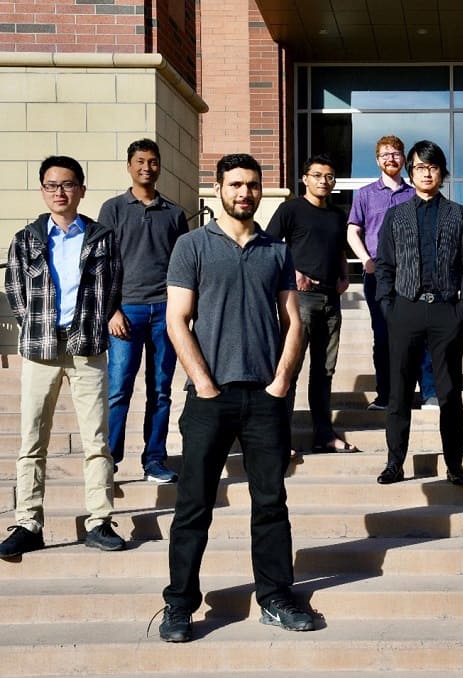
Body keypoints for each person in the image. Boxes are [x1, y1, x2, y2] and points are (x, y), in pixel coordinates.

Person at [159, 154, 320, 642]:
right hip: (210, 397)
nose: (244, 193)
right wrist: (204, 383)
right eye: (235, 185)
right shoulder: (192, 245)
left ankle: (274, 597)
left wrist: (282, 382)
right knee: (193, 505)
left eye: (252, 185)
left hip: (265, 398)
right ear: (218, 189)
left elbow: (294, 319)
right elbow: (176, 320)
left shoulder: (277, 250)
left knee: (271, 503)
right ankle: (180, 605)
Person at [0, 155, 126, 558]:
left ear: (82, 190)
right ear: (43, 190)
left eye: (68, 184)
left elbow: (115, 285)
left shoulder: (102, 237)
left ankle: (99, 520)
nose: (60, 192)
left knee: (96, 439)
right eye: (52, 185)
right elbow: (16, 289)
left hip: (87, 346)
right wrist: (34, 325)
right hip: (41, 348)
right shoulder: (26, 239)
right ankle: (28, 522)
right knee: (32, 440)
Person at [374, 140, 463, 486]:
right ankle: (394, 462)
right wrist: (388, 306)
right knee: (399, 390)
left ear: (442, 172)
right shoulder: (396, 214)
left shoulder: (459, 214)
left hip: (447, 310)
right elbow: (385, 264)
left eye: (433, 168)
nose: (426, 173)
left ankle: (454, 464)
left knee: (449, 392)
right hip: (405, 307)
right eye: (420, 168)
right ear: (411, 172)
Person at [99, 138, 188, 483]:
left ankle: (154, 459)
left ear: (159, 166)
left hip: (164, 312)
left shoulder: (174, 213)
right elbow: (101, 265)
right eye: (140, 161)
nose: (146, 167)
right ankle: (109, 459)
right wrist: (111, 311)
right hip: (126, 312)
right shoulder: (113, 209)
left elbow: (184, 266)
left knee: (161, 389)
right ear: (129, 166)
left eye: (152, 162)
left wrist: (181, 312)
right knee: (119, 387)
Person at [266, 155, 356, 454]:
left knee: (324, 372)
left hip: (331, 300)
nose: (323, 181)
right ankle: (280, 438)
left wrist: (345, 276)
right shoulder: (290, 209)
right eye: (317, 175)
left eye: (329, 176)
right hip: (300, 300)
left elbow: (340, 249)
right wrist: (292, 273)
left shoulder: (336, 214)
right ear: (305, 178)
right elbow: (269, 247)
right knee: (289, 367)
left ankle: (324, 434)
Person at [347, 135, 437, 411]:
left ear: (404, 160)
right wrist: (365, 260)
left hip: (413, 275)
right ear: (377, 160)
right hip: (378, 275)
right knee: (384, 336)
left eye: (396, 153)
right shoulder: (364, 194)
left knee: (421, 334)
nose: (391, 158)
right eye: (385, 154)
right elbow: (353, 230)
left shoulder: (414, 193)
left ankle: (429, 393)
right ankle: (386, 395)